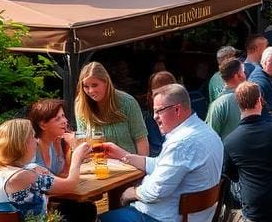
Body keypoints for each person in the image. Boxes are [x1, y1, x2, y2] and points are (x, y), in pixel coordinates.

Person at [101, 84, 224, 222]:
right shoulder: (208, 133)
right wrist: (122, 155)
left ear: (177, 109)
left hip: (161, 218)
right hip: (197, 217)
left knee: (98, 218)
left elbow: (155, 191)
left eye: (159, 111)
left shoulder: (181, 142)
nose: (154, 117)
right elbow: (162, 164)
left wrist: (131, 193)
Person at [222, 82, 272, 222]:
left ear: (238, 105)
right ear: (259, 101)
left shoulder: (230, 141)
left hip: (257, 210)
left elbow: (231, 174)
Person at [0, 118, 91, 216]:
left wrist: (32, 168)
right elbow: (69, 185)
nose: (36, 140)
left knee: (77, 209)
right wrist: (76, 157)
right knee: (85, 210)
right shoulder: (22, 176)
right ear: (22, 144)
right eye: (33, 136)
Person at [26, 99, 97, 222]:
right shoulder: (31, 149)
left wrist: (71, 149)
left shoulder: (56, 143)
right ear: (42, 124)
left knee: (87, 208)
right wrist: (76, 158)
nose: (65, 121)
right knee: (83, 210)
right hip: (34, 211)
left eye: (63, 116)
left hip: (51, 200)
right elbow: (67, 185)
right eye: (58, 118)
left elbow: (64, 175)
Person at [74, 61, 148, 156]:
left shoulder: (127, 102)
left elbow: (141, 139)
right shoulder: (81, 105)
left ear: (106, 82)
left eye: (94, 85)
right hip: (96, 165)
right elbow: (83, 144)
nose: (90, 91)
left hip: (129, 166)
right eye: (86, 86)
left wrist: (142, 169)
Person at [205, 57, 246, 139]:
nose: (245, 75)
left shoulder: (217, 105)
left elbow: (211, 136)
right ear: (237, 75)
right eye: (244, 72)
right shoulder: (250, 97)